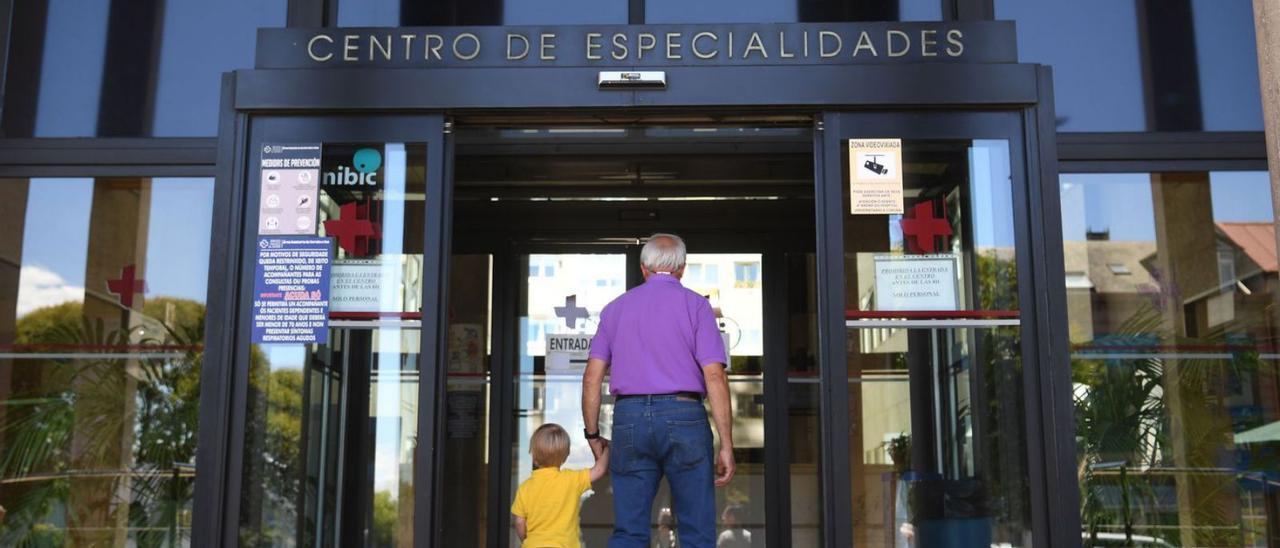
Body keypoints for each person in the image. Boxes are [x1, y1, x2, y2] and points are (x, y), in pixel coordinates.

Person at [582, 232, 735, 548]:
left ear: (643, 268)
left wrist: (593, 435)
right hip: (685, 415)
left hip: (629, 418)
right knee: (696, 530)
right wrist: (726, 443)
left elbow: (591, 378)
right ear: (682, 268)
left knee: (629, 531)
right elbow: (715, 376)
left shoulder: (615, 310)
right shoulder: (696, 306)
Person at [512, 423, 611, 548]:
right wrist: (606, 449)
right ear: (565, 456)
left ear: (533, 455)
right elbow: (599, 470)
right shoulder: (571, 479)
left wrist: (526, 540)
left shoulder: (525, 487)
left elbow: (520, 521)